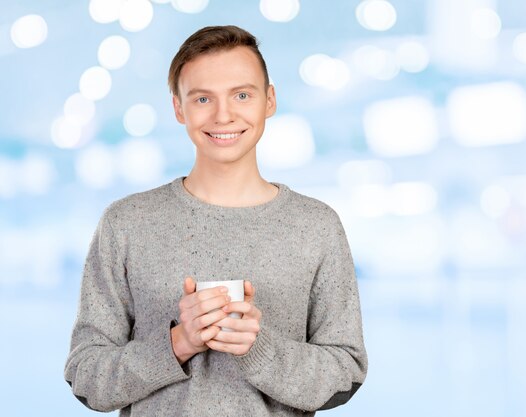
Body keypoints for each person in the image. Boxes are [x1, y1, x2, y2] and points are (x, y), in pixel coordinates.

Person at [64, 25, 368, 416]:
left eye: (242, 95)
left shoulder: (316, 225)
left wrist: (259, 349)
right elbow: (86, 378)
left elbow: (345, 375)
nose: (224, 115)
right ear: (179, 108)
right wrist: (178, 344)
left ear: (269, 100)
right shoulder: (126, 223)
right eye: (203, 98)